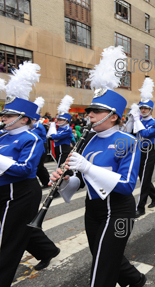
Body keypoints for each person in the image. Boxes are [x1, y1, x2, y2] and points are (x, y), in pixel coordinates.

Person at [50, 46, 146, 287]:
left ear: (113, 115)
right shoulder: (88, 139)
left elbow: (125, 186)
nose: (90, 115)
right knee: (103, 254)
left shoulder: (128, 142)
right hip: (93, 209)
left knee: (102, 266)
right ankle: (135, 279)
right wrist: (64, 180)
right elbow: (80, 181)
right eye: (90, 110)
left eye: (96, 111)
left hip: (118, 210)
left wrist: (87, 167)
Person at [0, 62, 59, 286]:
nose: (3, 118)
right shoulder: (2, 136)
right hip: (4, 190)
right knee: (18, 229)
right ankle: (48, 250)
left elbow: (26, 169)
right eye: (3, 115)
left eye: (8, 115)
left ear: (24, 118)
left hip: (20, 192)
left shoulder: (31, 138)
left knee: (9, 238)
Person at [130, 77, 155, 217]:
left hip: (149, 152)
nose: (143, 110)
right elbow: (128, 132)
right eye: (141, 108)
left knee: (145, 179)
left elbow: (146, 134)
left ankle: (140, 207)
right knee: (143, 178)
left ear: (151, 109)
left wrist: (137, 121)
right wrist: (131, 120)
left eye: (146, 108)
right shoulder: (138, 120)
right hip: (137, 151)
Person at [48, 95, 74, 169]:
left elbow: (56, 136)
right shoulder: (59, 128)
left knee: (60, 166)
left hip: (64, 148)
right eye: (58, 119)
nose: (59, 121)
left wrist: (52, 135)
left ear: (66, 121)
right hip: (58, 148)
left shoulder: (67, 129)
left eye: (61, 120)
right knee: (62, 165)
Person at [31, 97, 50, 189]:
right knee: (39, 167)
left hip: (41, 147)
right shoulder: (35, 125)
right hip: (39, 147)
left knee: (38, 167)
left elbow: (33, 135)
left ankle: (47, 182)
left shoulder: (37, 126)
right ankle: (46, 181)